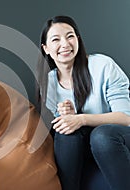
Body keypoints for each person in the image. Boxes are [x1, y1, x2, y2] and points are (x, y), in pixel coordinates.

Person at [37, 15, 130, 190]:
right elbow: (61, 129)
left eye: (70, 36)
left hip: (117, 138)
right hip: (84, 146)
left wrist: (81, 119)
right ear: (46, 48)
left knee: (101, 135)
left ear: (78, 40)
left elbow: (126, 118)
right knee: (65, 133)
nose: (65, 44)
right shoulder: (49, 82)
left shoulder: (102, 65)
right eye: (56, 39)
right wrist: (68, 116)